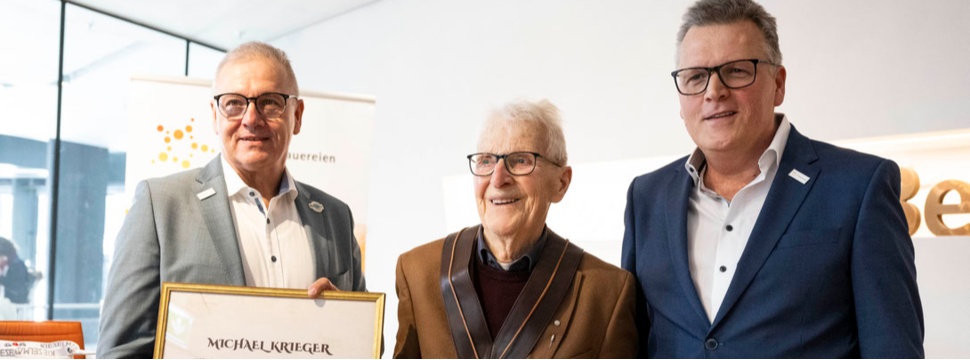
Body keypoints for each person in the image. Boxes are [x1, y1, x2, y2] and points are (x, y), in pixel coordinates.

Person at [621, 0, 924, 357]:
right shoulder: (647, 197)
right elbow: (632, 343)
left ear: (778, 84)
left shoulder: (859, 187)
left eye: (735, 71)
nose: (713, 91)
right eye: (695, 77)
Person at [97, 42, 366, 358]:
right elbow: (122, 350)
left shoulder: (335, 216)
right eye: (234, 103)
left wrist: (344, 324)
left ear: (297, 115)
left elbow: (363, 342)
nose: (251, 119)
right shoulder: (160, 206)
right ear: (214, 115)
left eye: (270, 102)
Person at [394, 100, 637, 358]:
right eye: (486, 161)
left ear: (561, 183)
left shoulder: (606, 294)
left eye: (521, 160)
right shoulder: (418, 274)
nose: (498, 179)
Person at [0, 237, 32, 304]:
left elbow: (17, 292)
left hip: (15, 306)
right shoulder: (11, 265)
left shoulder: (17, 266)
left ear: (4, 257)